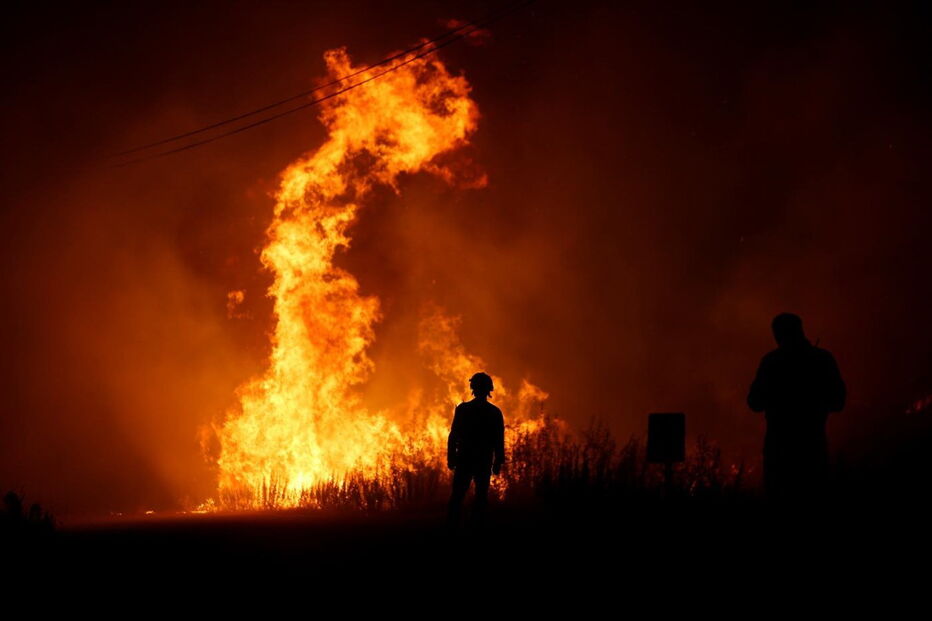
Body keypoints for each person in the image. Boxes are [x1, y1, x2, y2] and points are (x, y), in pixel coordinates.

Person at [747, 313, 846, 502]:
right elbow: (838, 401)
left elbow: (754, 402)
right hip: (813, 447)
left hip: (779, 450)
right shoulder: (822, 359)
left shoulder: (772, 362)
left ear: (777, 335)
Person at [447, 372, 505, 527]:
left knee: (458, 494)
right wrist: (498, 461)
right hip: (482, 459)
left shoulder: (464, 409)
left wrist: (451, 456)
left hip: (466, 458)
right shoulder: (494, 412)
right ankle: (476, 525)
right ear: (489, 389)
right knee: (480, 495)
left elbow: (453, 435)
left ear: (473, 387)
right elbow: (498, 439)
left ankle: (453, 525)